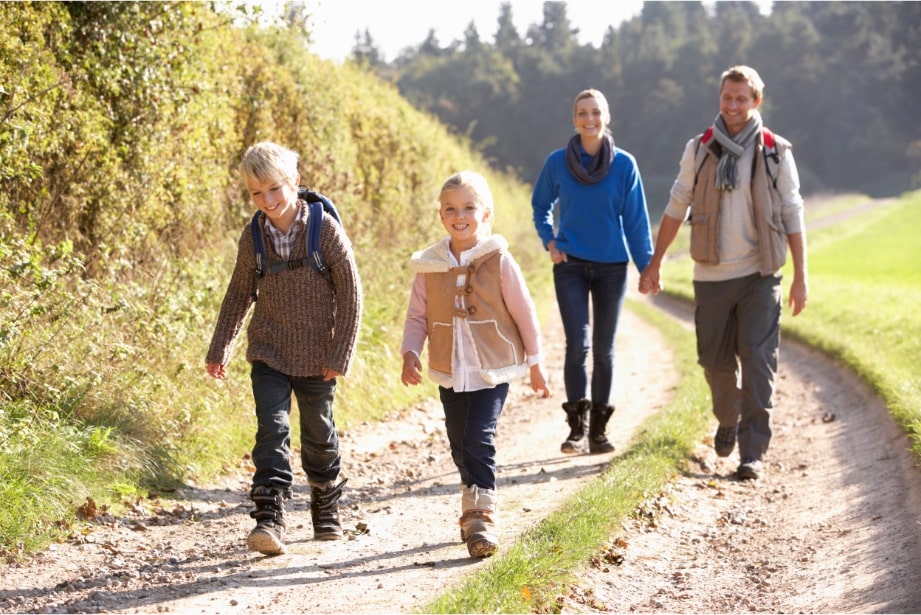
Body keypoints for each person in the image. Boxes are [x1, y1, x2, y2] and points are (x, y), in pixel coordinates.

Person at [639, 65, 808, 481]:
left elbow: (792, 211)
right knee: (713, 361)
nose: (733, 106)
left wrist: (801, 275)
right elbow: (678, 203)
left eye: (741, 99)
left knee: (757, 359)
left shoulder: (775, 150)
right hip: (711, 275)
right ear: (720, 98)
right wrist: (655, 261)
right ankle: (727, 415)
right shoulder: (700, 148)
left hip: (760, 273)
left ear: (756, 102)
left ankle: (753, 453)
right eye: (727, 98)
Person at [205, 142, 362, 554]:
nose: (268, 201)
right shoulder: (253, 235)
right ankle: (269, 518)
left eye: (275, 189)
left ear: (294, 181)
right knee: (271, 430)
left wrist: (340, 352)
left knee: (319, 434)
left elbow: (350, 293)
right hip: (269, 351)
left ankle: (325, 507)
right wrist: (220, 346)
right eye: (257, 193)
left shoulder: (323, 230)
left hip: (318, 356)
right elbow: (239, 293)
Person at [400, 171, 551, 559]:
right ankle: (471, 501)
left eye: (469, 207)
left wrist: (536, 363)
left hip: (492, 367)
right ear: (440, 216)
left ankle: (483, 514)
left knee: (477, 438)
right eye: (451, 209)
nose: (460, 215)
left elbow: (524, 312)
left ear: (486, 214)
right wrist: (410, 352)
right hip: (449, 368)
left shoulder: (498, 260)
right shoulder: (430, 265)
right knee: (457, 442)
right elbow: (417, 316)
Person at [531, 88, 654, 456]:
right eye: (583, 112)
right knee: (577, 346)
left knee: (604, 349)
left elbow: (636, 222)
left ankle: (599, 432)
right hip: (569, 265)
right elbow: (540, 206)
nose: (590, 119)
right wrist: (549, 241)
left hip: (612, 268)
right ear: (574, 119)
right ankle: (575, 430)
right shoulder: (557, 163)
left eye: (596, 112)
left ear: (607, 117)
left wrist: (647, 267)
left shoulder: (625, 165)